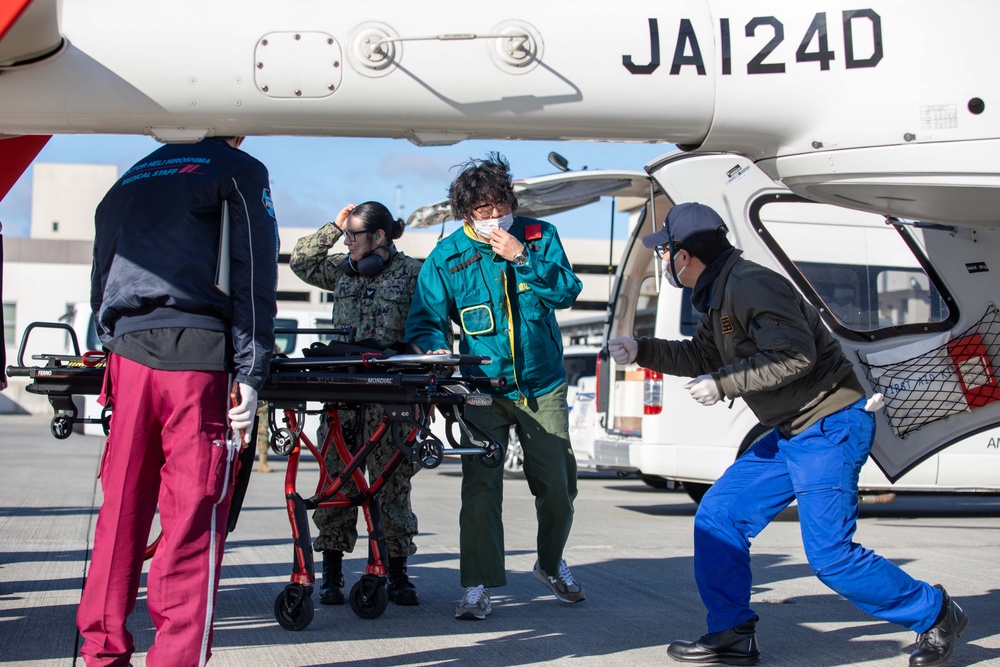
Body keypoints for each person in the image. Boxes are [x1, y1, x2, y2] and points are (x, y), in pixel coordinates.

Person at [608, 202, 969, 667]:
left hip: (829, 425)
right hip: (794, 430)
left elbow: (793, 356)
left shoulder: (751, 284)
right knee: (718, 515)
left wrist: (724, 384)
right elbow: (702, 354)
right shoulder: (719, 291)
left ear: (685, 255)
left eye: (666, 252)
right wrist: (642, 349)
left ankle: (936, 613)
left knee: (830, 557)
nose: (664, 261)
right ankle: (732, 634)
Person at [80, 135, 278, 666]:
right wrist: (252, 368)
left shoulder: (129, 178)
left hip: (127, 357)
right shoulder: (238, 168)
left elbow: (101, 276)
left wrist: (111, 343)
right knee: (191, 517)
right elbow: (253, 271)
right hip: (197, 360)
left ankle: (101, 654)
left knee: (120, 510)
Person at [405, 152, 585, 621]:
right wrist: (434, 351)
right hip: (483, 389)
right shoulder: (447, 256)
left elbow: (567, 291)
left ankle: (549, 564)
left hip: (543, 384)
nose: (495, 216)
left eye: (500, 204)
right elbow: (426, 319)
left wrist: (522, 257)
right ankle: (477, 585)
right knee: (481, 488)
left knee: (559, 485)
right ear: (467, 214)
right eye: (484, 210)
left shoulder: (539, 236)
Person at [289, 201, 424, 607]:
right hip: (344, 394)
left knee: (392, 482)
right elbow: (301, 260)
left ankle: (396, 572)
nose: (347, 242)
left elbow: (432, 324)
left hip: (391, 394)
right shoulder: (341, 270)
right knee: (336, 479)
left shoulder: (414, 274)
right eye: (345, 235)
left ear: (380, 237)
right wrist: (335, 225)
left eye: (354, 235)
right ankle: (332, 571)